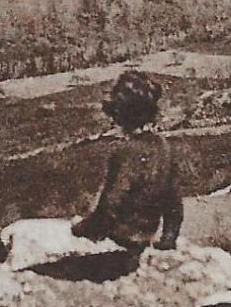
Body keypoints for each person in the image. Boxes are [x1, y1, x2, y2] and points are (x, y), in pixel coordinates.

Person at [72, 69, 183, 254]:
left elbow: (110, 205)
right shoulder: (164, 146)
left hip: (121, 239)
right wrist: (168, 240)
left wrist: (81, 231)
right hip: (146, 236)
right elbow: (174, 203)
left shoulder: (126, 152)